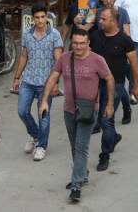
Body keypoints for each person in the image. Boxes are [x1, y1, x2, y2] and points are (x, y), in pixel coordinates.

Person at [39, 30, 114, 203]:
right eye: (75, 43)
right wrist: (44, 101)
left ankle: (76, 185)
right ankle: (82, 174)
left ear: (88, 43)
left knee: (81, 146)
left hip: (89, 110)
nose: (78, 46)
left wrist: (109, 104)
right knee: (74, 146)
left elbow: (109, 79)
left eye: (82, 43)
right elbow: (52, 79)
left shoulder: (97, 60)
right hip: (69, 110)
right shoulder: (65, 58)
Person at [89, 7, 138, 170]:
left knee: (106, 121)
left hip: (116, 86)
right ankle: (114, 137)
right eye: (100, 18)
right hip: (95, 85)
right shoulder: (95, 36)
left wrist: (135, 86)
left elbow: (133, 63)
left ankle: (104, 155)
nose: (100, 21)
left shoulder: (124, 40)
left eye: (103, 19)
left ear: (114, 21)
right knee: (100, 120)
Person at [12, 4, 63, 162]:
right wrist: (17, 78)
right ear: (33, 19)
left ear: (46, 16)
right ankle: (35, 135)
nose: (40, 20)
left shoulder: (54, 34)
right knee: (22, 111)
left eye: (43, 17)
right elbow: (23, 57)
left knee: (44, 116)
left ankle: (41, 146)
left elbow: (59, 60)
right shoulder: (27, 34)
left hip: (46, 83)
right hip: (28, 80)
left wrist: (56, 83)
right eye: (37, 17)